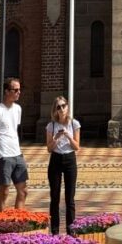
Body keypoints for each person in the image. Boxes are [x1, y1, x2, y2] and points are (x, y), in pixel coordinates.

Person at [0, 78, 28, 212]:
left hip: (17, 153)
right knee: (4, 191)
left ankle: (18, 220)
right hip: (3, 155)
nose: (18, 92)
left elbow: (13, 130)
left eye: (20, 90)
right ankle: (0, 222)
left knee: (23, 190)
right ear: (6, 91)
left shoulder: (18, 109)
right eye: (15, 90)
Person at [46, 95, 81, 235]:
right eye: (58, 107)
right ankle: (54, 231)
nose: (61, 109)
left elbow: (77, 146)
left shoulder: (74, 124)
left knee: (70, 198)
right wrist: (56, 137)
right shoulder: (51, 125)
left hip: (70, 160)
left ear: (67, 107)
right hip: (55, 159)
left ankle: (71, 231)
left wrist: (68, 135)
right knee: (54, 197)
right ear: (55, 110)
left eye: (63, 106)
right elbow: (49, 148)